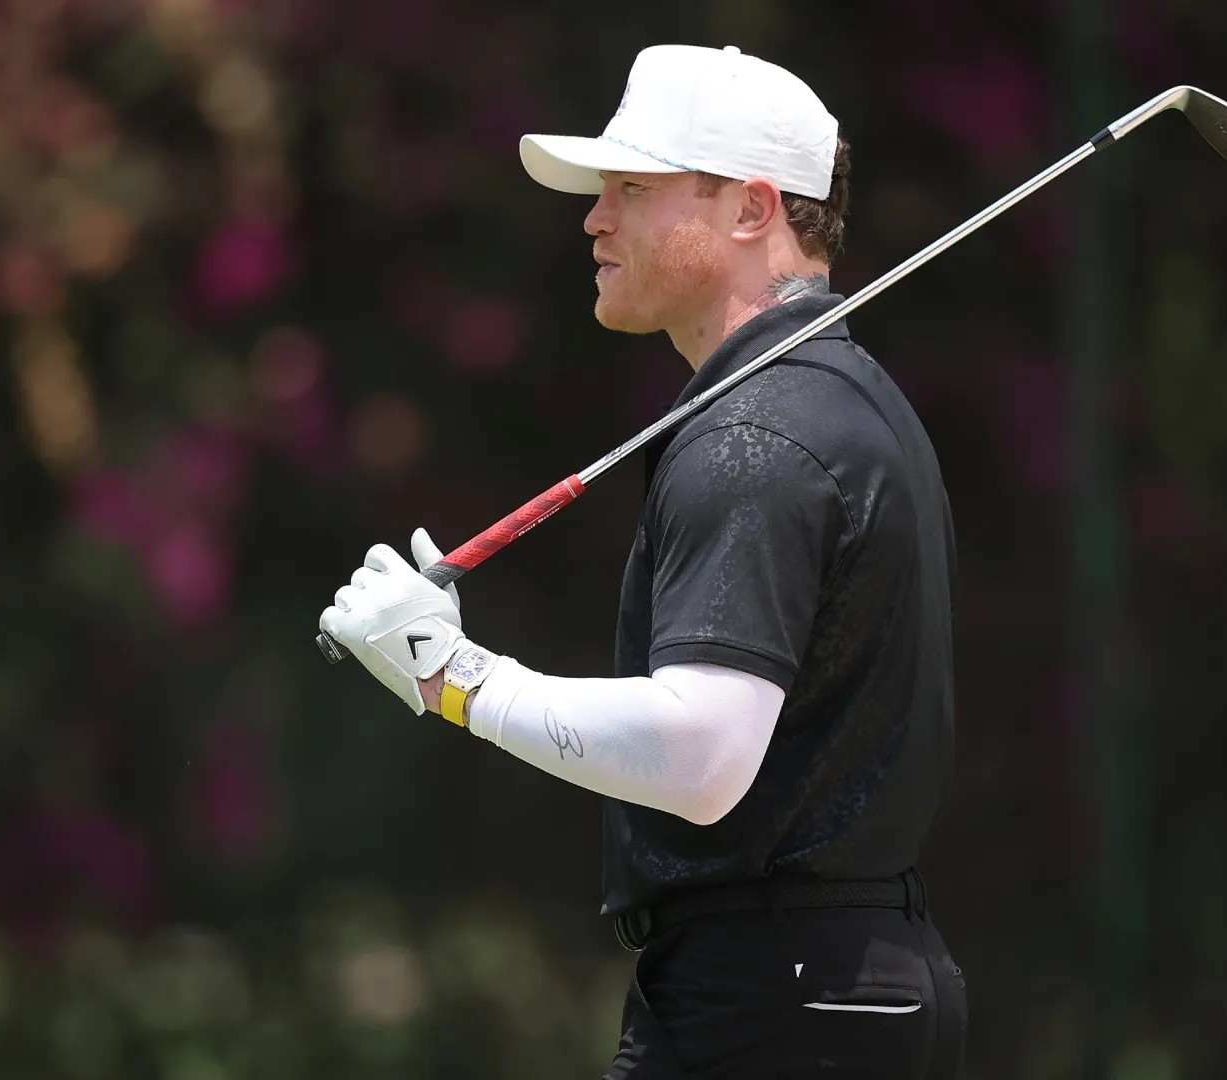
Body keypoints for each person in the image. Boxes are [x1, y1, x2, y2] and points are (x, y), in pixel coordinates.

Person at [318, 43, 966, 1079]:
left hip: (774, 1005)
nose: (593, 218)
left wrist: (454, 679)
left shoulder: (759, 435)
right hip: (833, 989)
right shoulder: (843, 401)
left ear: (753, 210)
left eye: (632, 188)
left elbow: (704, 758)